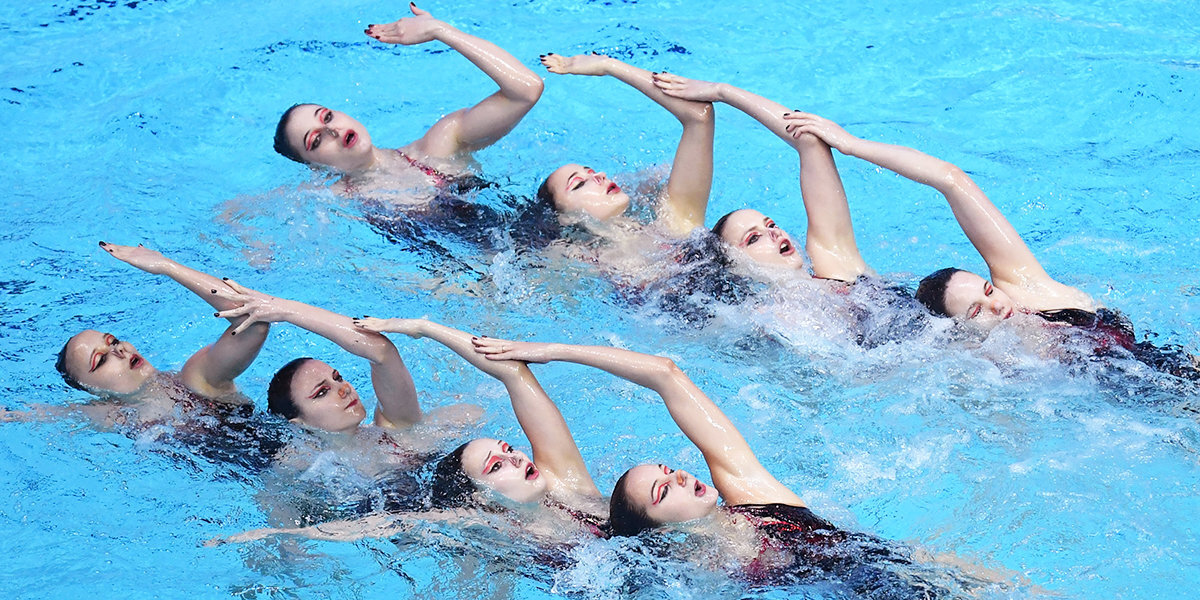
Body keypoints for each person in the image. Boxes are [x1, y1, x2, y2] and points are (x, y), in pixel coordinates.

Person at [470, 337, 953, 595]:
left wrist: (556, 351)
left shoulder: (756, 497)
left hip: (933, 580)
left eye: (667, 469)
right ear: (657, 532)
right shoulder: (687, 577)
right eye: (664, 492)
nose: (680, 475)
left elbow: (665, 374)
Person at [768, 111, 1199, 378]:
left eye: (988, 291)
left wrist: (851, 144)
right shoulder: (994, 367)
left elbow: (952, 180)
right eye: (976, 310)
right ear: (958, 331)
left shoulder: (1040, 295)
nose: (996, 305)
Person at [273, 3, 543, 198]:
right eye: (316, 140)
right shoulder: (332, 198)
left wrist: (440, 30)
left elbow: (526, 90)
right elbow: (238, 214)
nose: (333, 130)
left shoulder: (439, 145)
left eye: (328, 117)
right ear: (315, 168)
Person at [54, 243, 269, 417]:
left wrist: (167, 266)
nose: (120, 351)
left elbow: (252, 321)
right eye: (101, 360)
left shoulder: (195, 380)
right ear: (92, 390)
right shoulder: (114, 417)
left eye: (114, 341)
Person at [536, 53, 714, 238]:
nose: (600, 176)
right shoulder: (562, 264)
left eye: (592, 172)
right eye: (578, 184)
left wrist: (610, 66)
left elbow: (699, 116)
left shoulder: (670, 227)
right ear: (565, 219)